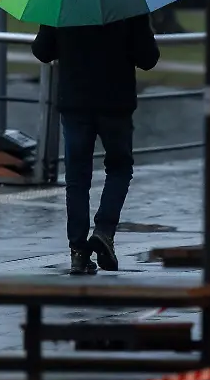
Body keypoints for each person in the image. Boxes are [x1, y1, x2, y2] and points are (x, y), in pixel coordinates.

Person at [32, 15, 160, 275]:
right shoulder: (128, 2)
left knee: (77, 179)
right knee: (119, 168)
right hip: (116, 103)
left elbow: (43, 51)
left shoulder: (63, 1)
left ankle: (78, 252)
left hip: (75, 102)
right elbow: (148, 58)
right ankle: (104, 231)